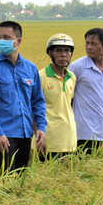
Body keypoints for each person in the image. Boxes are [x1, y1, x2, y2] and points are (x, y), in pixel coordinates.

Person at [0, 21, 46, 177]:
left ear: (19, 41)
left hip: (24, 133)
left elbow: (37, 102)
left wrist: (40, 127)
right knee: (4, 180)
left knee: (20, 178)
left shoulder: (30, 68)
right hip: (3, 135)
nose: (1, 41)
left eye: (6, 37)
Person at [68, 28, 103, 154]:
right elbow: (67, 97)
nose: (89, 47)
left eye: (94, 44)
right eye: (87, 43)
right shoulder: (77, 67)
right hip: (83, 133)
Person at [38, 33, 76, 161]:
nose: (64, 54)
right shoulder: (41, 76)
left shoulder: (72, 77)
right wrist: (38, 136)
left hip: (69, 139)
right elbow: (33, 108)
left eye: (67, 51)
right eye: (58, 50)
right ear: (50, 53)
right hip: (49, 140)